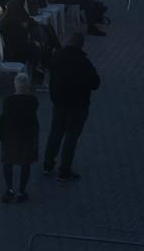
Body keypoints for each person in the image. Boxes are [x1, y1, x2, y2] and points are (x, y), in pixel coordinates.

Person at [43, 33, 101, 181]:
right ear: (81, 45)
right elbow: (96, 83)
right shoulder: (83, 63)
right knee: (71, 138)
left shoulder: (57, 57)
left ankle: (47, 165)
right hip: (77, 107)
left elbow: (49, 67)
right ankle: (64, 170)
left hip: (58, 103)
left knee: (55, 134)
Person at [0, 73, 39, 203]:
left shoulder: (8, 100)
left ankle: (9, 190)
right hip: (26, 137)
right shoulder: (32, 100)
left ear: (15, 85)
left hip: (10, 137)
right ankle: (21, 191)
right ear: (27, 86)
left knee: (8, 162)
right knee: (25, 163)